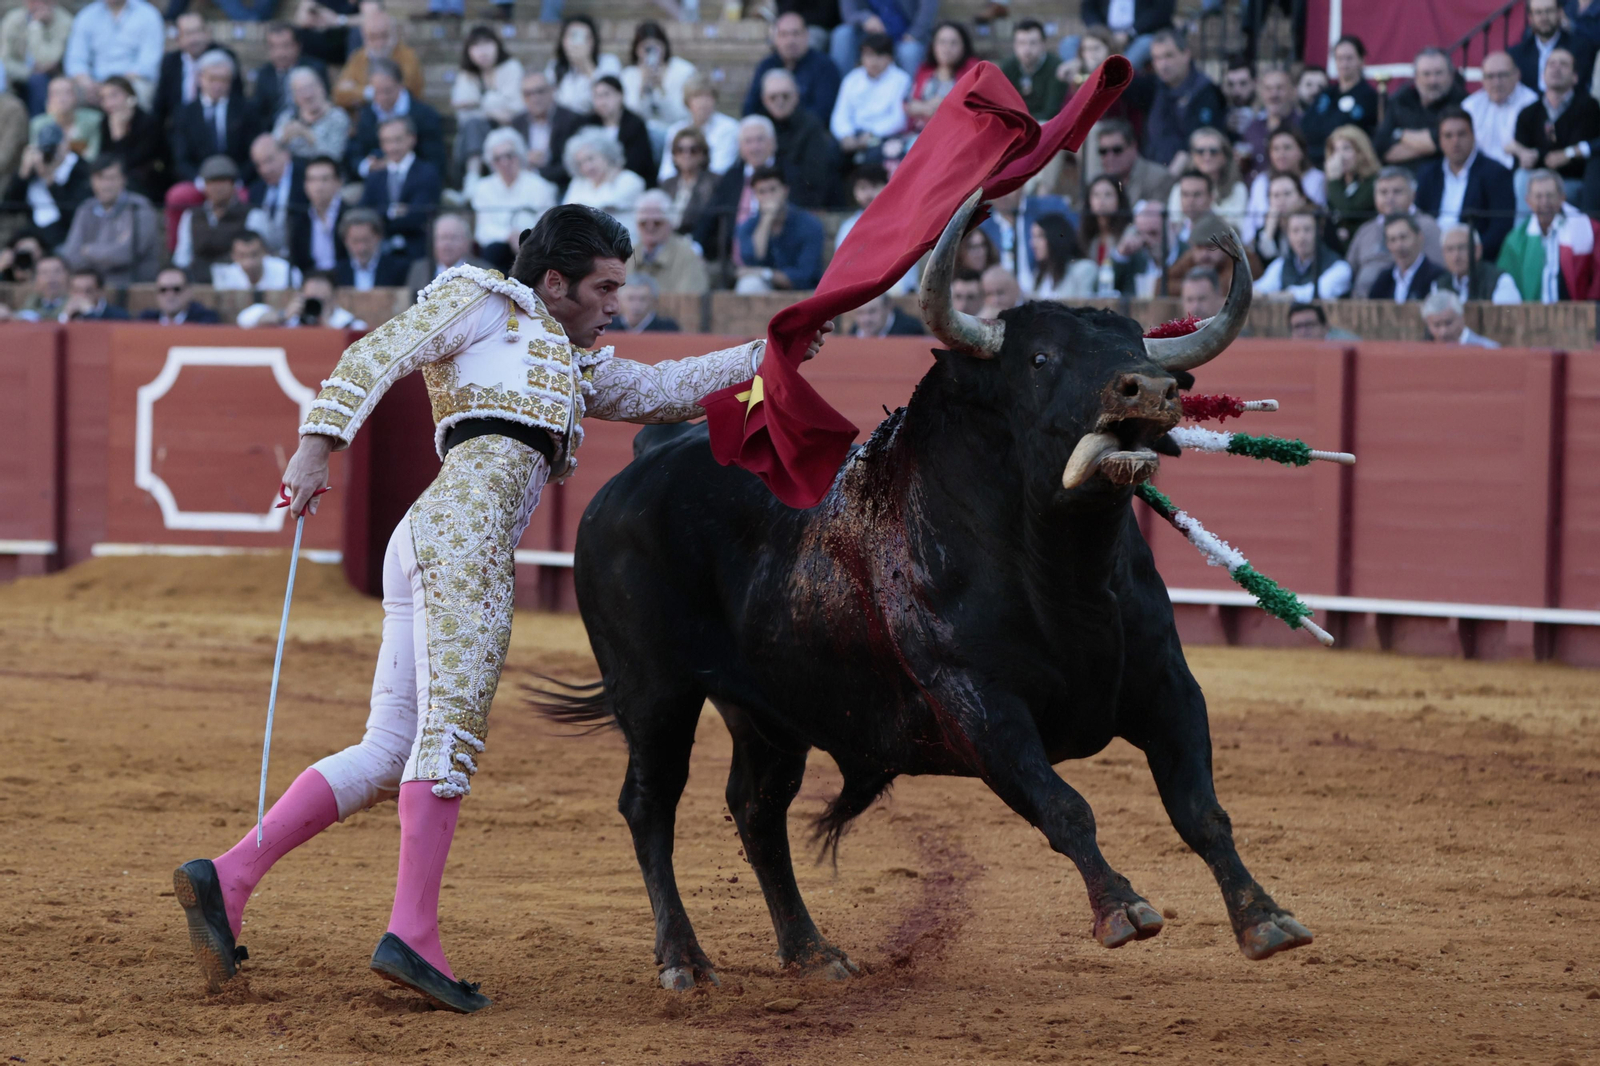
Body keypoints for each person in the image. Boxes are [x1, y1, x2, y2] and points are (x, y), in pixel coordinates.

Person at [173, 205, 820, 1012]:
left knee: (388, 749)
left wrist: (774, 351)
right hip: (464, 536)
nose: (618, 302)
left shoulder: (569, 361)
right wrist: (317, 442)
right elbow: (383, 349)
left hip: (430, 533)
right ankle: (411, 935)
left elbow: (664, 388)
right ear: (555, 282)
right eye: (606, 287)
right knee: (448, 737)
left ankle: (226, 878)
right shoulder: (485, 302)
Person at [1414, 107, 1516, 261]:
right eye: (1448, 136)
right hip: (1431, 256)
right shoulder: (1427, 174)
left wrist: (1473, 254)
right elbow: (1418, 218)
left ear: (1473, 136)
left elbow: (1501, 227)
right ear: (1440, 141)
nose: (1455, 141)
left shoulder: (1496, 173)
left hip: (1474, 256)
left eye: (1461, 134)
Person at [1509, 48, 1600, 207]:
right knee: (1522, 178)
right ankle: (1525, 232)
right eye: (1551, 64)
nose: (1556, 68)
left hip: (1571, 182)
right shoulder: (1528, 112)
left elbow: (1582, 155)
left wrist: (1540, 155)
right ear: (1543, 75)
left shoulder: (1589, 108)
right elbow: (1524, 158)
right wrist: (1524, 155)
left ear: (1575, 77)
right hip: (1537, 181)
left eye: (1564, 64)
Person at [467, 128, 558, 273]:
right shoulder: (482, 188)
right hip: (496, 251)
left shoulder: (540, 186)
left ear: (519, 156)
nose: (504, 162)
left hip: (532, 247)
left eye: (509, 156)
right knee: (493, 252)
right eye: (498, 158)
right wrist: (509, 236)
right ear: (491, 162)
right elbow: (483, 231)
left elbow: (547, 226)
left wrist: (522, 237)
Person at [59, 156, 160, 287]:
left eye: (111, 178)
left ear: (123, 180)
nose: (105, 185)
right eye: (100, 178)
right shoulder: (85, 208)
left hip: (133, 290)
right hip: (92, 290)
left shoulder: (140, 208)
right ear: (92, 181)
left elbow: (126, 253)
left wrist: (88, 250)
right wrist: (108, 254)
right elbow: (71, 256)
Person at [1498, 168, 1595, 302]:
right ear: (1528, 201)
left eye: (1550, 195)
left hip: (1577, 316)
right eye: (1538, 196)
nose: (1544, 202)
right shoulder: (1515, 241)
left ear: (1562, 197)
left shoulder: (1587, 228)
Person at [1346, 166, 1445, 297]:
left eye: (1397, 192)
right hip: (1360, 307)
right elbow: (1348, 271)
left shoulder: (1427, 226)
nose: (1389, 198)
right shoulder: (1366, 230)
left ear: (1413, 194)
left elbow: (1439, 273)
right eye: (1383, 192)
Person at [697, 115, 781, 263]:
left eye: (760, 140)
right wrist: (696, 246)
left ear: (773, 143)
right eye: (748, 141)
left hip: (776, 258)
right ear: (740, 147)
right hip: (730, 259)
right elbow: (710, 215)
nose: (754, 148)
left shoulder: (786, 173)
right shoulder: (732, 176)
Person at [359, 116, 444, 262]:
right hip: (379, 253)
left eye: (398, 140)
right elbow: (365, 213)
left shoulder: (427, 172)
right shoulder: (375, 177)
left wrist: (383, 216)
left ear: (412, 139)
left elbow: (419, 216)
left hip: (418, 252)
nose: (392, 147)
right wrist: (393, 211)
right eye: (386, 141)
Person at [171, 51, 259, 188]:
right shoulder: (185, 113)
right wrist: (199, 182)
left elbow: (253, 155)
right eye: (212, 79)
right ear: (200, 78)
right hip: (197, 183)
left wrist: (238, 181)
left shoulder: (246, 111)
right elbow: (181, 158)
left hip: (237, 183)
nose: (218, 85)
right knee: (177, 198)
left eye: (223, 80)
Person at [347, 60, 448, 178]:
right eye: (377, 92)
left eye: (387, 91)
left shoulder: (424, 115)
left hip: (415, 182)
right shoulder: (366, 114)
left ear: (401, 85)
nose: (382, 97)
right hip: (374, 182)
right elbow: (355, 153)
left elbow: (434, 159)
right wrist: (368, 166)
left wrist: (398, 166)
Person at [757, 68, 842, 209]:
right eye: (773, 97)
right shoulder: (759, 126)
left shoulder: (811, 126)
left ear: (796, 95)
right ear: (764, 100)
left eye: (785, 96)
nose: (779, 101)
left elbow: (816, 177)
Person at [1373, 48, 1467, 171]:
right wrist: (1427, 146)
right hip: (1400, 181)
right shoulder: (1401, 100)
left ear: (1450, 75)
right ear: (1416, 76)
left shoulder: (1463, 103)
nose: (1433, 81)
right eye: (1426, 74)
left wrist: (1399, 134)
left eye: (1438, 73)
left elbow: (1447, 144)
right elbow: (1380, 147)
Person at [735, 165, 824, 292]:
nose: (768, 196)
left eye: (773, 190)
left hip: (804, 294)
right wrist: (766, 220)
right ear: (755, 196)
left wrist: (766, 273)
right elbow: (752, 260)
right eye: (762, 192)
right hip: (766, 292)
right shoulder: (747, 226)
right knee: (749, 284)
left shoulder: (809, 224)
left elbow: (805, 275)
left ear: (785, 190)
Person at [743, 11, 841, 125]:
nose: (790, 41)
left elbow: (824, 112)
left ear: (806, 36)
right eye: (784, 34)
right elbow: (750, 108)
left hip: (808, 135)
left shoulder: (825, 67)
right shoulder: (766, 65)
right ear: (775, 39)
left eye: (796, 34)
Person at [1144, 28, 1224, 169]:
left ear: (1186, 54)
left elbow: (1201, 140)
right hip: (1152, 170)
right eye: (1157, 58)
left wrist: (1169, 178)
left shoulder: (1204, 90)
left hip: (1188, 174)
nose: (1163, 64)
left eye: (1169, 56)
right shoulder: (1154, 86)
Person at [452, 25, 525, 176]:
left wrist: (479, 105)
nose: (482, 51)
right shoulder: (466, 75)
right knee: (472, 126)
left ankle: (472, 180)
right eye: (476, 46)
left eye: (487, 44)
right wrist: (493, 106)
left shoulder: (512, 68)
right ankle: (472, 179)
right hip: (476, 133)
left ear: (497, 45)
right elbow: (462, 114)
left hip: (508, 129)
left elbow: (517, 110)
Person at [7, 118, 90, 248]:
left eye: (54, 147)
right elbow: (10, 208)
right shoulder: (33, 168)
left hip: (65, 238)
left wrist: (50, 180)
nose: (49, 154)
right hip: (33, 235)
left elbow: (74, 216)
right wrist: (22, 175)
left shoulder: (80, 169)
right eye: (46, 148)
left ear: (65, 145)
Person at [834, 164, 916, 293]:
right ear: (855, 192)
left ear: (886, 187)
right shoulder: (848, 228)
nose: (869, 194)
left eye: (875, 186)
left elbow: (907, 273)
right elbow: (843, 269)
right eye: (863, 188)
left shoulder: (901, 224)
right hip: (859, 293)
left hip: (897, 292)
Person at [830, 33, 912, 163]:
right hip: (853, 134)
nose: (873, 61)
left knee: (874, 156)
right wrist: (846, 135)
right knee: (829, 153)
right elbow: (840, 114)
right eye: (869, 55)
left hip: (882, 135)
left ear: (890, 58)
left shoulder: (901, 80)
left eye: (879, 55)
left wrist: (872, 134)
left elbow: (899, 119)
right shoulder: (852, 79)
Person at [62, 0, 162, 104]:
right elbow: (75, 60)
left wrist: (117, 86)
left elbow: (148, 63)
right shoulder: (87, 15)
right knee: (66, 92)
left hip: (131, 81)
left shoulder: (148, 14)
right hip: (94, 83)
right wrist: (87, 82)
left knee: (140, 90)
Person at [155, 14, 243, 130]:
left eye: (197, 32)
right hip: (179, 129)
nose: (194, 39)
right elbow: (160, 105)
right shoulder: (170, 62)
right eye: (188, 33)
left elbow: (236, 98)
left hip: (215, 128)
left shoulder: (224, 58)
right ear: (178, 39)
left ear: (207, 33)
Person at [1300, 35, 1378, 164]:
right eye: (1339, 58)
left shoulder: (1369, 97)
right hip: (1313, 162)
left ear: (1361, 60)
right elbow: (1306, 125)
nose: (1344, 64)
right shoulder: (1326, 94)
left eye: (1349, 58)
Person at [173, 155, 252, 280]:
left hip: (237, 283)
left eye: (223, 181)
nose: (217, 187)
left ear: (233, 184)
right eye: (212, 182)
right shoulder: (191, 215)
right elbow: (182, 257)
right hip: (198, 282)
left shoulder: (252, 214)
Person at [1242, 128, 1326, 243]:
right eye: (1275, 149)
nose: (1281, 154)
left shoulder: (1318, 179)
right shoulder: (1261, 181)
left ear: (1301, 151)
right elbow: (1250, 225)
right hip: (1266, 246)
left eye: (1287, 147)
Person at [621, 21, 696, 147]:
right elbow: (630, 116)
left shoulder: (683, 71)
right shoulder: (628, 75)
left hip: (676, 133)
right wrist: (642, 89)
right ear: (637, 50)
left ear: (665, 47)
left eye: (655, 48)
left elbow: (683, 115)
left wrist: (661, 89)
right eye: (646, 49)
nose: (650, 54)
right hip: (640, 136)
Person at [332, 8, 422, 112]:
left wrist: (359, 91)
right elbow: (338, 95)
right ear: (364, 37)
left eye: (384, 36)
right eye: (372, 37)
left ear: (394, 34)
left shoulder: (407, 56)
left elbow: (406, 89)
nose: (379, 43)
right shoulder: (358, 58)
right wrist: (366, 92)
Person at [561, 127, 646, 236]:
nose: (587, 167)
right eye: (580, 164)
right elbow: (565, 214)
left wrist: (608, 183)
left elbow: (603, 210)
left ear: (605, 154)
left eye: (590, 159)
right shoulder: (578, 183)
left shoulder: (629, 180)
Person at [1463, 51, 1539, 173]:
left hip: (1517, 171)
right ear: (1482, 79)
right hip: (1477, 173)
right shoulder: (1470, 106)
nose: (1496, 82)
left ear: (1517, 75)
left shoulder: (1531, 103)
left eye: (1502, 75)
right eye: (1490, 76)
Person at [1255, 207, 1351, 301]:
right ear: (1288, 234)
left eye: (1307, 230)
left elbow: (1320, 292)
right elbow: (1261, 287)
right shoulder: (1281, 265)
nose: (1301, 237)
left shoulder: (1340, 267)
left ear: (1320, 231)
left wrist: (1285, 296)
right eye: (1295, 231)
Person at [904, 21, 977, 139]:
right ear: (933, 45)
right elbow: (909, 105)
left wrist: (943, 105)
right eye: (942, 42)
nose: (947, 48)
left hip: (956, 138)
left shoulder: (973, 71)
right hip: (919, 136)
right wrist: (926, 107)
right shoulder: (924, 70)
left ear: (964, 46)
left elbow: (975, 108)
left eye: (954, 43)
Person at [1167, 127, 1247, 234]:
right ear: (1192, 156)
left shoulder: (1237, 189)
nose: (1207, 156)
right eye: (1200, 151)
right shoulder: (1179, 188)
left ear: (1225, 156)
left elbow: (1238, 228)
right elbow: (1174, 227)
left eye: (1213, 151)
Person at [96, 75, 163, 203]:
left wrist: (119, 136)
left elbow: (131, 163)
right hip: (115, 178)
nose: (109, 102)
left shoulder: (148, 122)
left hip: (148, 180)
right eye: (104, 98)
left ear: (130, 95)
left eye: (114, 95)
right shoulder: (105, 122)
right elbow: (104, 158)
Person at [627, 189, 708, 295]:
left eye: (657, 223)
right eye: (643, 223)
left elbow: (691, 300)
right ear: (636, 225)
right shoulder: (628, 255)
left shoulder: (687, 254)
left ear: (670, 223)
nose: (650, 227)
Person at [659, 75, 739, 181]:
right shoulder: (675, 130)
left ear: (715, 100)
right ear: (687, 102)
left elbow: (719, 168)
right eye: (697, 97)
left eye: (708, 96)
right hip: (679, 186)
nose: (703, 103)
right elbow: (666, 171)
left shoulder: (729, 128)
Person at [2, 0, 73, 117]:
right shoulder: (12, 20)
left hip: (51, 77)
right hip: (17, 77)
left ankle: (38, 125)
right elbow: (5, 60)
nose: (38, 4)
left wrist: (36, 26)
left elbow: (48, 61)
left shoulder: (64, 22)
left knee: (38, 81)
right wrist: (28, 72)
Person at [514, 69, 586, 183]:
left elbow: (576, 163)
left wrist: (539, 172)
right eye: (528, 94)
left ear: (552, 91)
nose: (534, 98)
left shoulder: (571, 120)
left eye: (540, 91)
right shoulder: (517, 123)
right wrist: (525, 159)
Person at [251, 23, 329, 128]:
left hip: (312, 126)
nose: (280, 53)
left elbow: (325, 103)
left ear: (298, 46)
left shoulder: (314, 69)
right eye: (273, 47)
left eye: (285, 46)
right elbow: (259, 112)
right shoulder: (264, 74)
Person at [1511, 0, 1597, 93]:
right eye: (1538, 12)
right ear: (1530, 17)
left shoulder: (1581, 48)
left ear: (1560, 13)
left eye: (1549, 11)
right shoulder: (1518, 54)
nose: (1544, 17)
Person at [832, 0, 937, 76]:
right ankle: (839, 90)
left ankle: (909, 100)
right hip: (870, 37)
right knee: (842, 33)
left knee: (909, 52)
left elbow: (927, 10)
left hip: (905, 37)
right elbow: (849, 12)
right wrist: (865, 18)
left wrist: (914, 34)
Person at [588, 74, 656, 187]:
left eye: (606, 95)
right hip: (597, 178)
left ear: (620, 95)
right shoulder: (590, 123)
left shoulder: (635, 124)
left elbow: (638, 162)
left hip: (629, 179)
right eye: (597, 96)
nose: (602, 102)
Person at [1089, 117, 1174, 207]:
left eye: (1117, 150)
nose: (1110, 157)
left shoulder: (1158, 178)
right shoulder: (1099, 182)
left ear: (1133, 147)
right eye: (1103, 151)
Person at [1322, 124, 1381, 253]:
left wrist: (1333, 181)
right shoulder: (1337, 183)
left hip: (1367, 248)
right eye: (1335, 150)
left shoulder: (1373, 181)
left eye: (1346, 149)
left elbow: (1348, 211)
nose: (1340, 157)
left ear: (1361, 152)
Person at [238, 270, 366, 329]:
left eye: (322, 301)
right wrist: (283, 316)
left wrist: (328, 327)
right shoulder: (292, 319)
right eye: (311, 300)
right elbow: (244, 319)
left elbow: (362, 337)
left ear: (334, 299)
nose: (315, 305)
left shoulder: (347, 324)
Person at [1069, 0, 1171, 73]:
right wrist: (1103, 34)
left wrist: (1130, 33)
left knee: (1146, 43)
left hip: (1138, 35)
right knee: (1069, 44)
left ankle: (1119, 76)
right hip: (1103, 36)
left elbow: (1161, 11)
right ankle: (1086, 77)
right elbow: (1088, 9)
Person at [545, 15, 620, 115]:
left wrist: (587, 65)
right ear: (563, 41)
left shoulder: (608, 62)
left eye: (585, 37)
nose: (578, 42)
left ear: (593, 41)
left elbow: (610, 98)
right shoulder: (554, 66)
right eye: (573, 36)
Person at [273, 67, 349, 164]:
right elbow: (271, 149)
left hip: (322, 174)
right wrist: (283, 139)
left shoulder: (337, 116)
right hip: (293, 173)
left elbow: (334, 156)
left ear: (321, 87)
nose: (307, 95)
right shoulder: (287, 117)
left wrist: (307, 135)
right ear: (294, 97)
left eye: (310, 87)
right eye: (300, 90)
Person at [403, 211, 489, 296]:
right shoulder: (419, 269)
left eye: (453, 238)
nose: (447, 244)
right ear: (433, 242)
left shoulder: (482, 271)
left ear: (466, 242)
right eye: (443, 238)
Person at [287, 154, 347, 275]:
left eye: (324, 179)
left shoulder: (349, 214)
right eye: (312, 180)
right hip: (311, 280)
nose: (318, 187)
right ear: (305, 185)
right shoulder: (298, 219)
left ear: (338, 182)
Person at [1434, 223, 1522, 304]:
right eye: (1450, 249)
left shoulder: (1500, 280)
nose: (1456, 256)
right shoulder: (1439, 285)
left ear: (1478, 250)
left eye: (1462, 248)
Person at [249, 134, 306, 259]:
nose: (264, 170)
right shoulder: (256, 190)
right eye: (259, 165)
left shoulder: (305, 180)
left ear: (286, 154)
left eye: (269, 160)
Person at [999, 19, 1067, 123]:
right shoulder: (1008, 66)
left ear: (1043, 44)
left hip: (1045, 123)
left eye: (1033, 43)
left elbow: (1051, 110)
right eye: (1021, 43)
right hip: (1014, 123)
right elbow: (1002, 103)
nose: (1027, 49)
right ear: (1014, 45)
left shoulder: (1055, 66)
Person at [1237, 69, 1300, 177]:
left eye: (1280, 88)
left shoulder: (1302, 125)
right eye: (1268, 89)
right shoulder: (1253, 128)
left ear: (1292, 91)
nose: (1273, 94)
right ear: (1261, 93)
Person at [1368, 214, 1445, 300]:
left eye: (1403, 237)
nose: (1399, 246)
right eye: (1393, 240)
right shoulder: (1384, 279)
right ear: (1387, 245)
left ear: (1419, 237)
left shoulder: (1437, 276)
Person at [659, 127, 717, 237]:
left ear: (703, 154)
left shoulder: (714, 183)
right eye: (680, 150)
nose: (686, 155)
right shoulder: (667, 184)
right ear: (674, 155)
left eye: (693, 150)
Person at [1025, 212, 1096, 299]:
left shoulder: (1083, 269)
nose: (1032, 244)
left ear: (1054, 237)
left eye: (1040, 236)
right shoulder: (1038, 275)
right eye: (1033, 237)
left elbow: (1085, 308)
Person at [334, 208, 409, 289]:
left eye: (366, 240)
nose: (361, 248)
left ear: (378, 237)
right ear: (345, 241)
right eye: (355, 241)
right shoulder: (337, 274)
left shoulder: (399, 270)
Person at [31, 74, 100, 159]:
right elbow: (36, 157)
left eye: (67, 92)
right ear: (49, 99)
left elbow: (92, 156)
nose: (61, 98)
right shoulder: (38, 124)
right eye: (56, 93)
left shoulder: (93, 120)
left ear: (76, 96)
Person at [1248, 173, 1311, 264]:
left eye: (1287, 194)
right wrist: (1268, 233)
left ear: (1302, 198)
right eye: (1276, 195)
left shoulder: (1313, 224)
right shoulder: (1262, 233)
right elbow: (1266, 266)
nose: (1281, 200)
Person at [212, 229, 301, 291]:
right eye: (242, 255)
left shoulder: (286, 271)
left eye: (254, 254)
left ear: (264, 252)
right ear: (233, 256)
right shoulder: (225, 276)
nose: (249, 262)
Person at [138, 266, 221, 323]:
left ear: (188, 292)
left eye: (176, 289)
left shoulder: (204, 320)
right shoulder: (145, 320)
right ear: (156, 294)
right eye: (163, 290)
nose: (170, 294)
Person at [1420, 289, 1499, 347]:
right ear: (1428, 324)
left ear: (1462, 318)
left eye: (1448, 323)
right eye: (1437, 325)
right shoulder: (1423, 351)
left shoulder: (1487, 348)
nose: (1443, 332)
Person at [613, 273, 678, 332]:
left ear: (653, 302)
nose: (636, 305)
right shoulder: (608, 327)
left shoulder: (667, 329)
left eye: (642, 299)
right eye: (631, 299)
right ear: (619, 301)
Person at [59, 266, 129, 320]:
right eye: (76, 291)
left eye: (88, 291)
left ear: (101, 292)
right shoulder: (61, 312)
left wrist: (89, 312)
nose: (82, 296)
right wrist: (65, 316)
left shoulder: (119, 316)